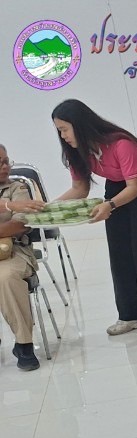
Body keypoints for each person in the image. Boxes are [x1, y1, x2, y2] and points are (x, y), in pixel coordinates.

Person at [47, 99, 137, 335]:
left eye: (64, 129)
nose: (63, 136)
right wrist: (49, 208)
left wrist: (109, 205)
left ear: (80, 125)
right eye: (59, 130)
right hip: (115, 187)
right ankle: (128, 315)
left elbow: (134, 188)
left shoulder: (121, 144)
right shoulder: (76, 151)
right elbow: (79, 189)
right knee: (119, 253)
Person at [0, 143, 40, 370]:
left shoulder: (18, 189)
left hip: (14, 251)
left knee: (6, 278)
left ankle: (24, 343)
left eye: (6, 161)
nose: (5, 167)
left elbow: (20, 224)